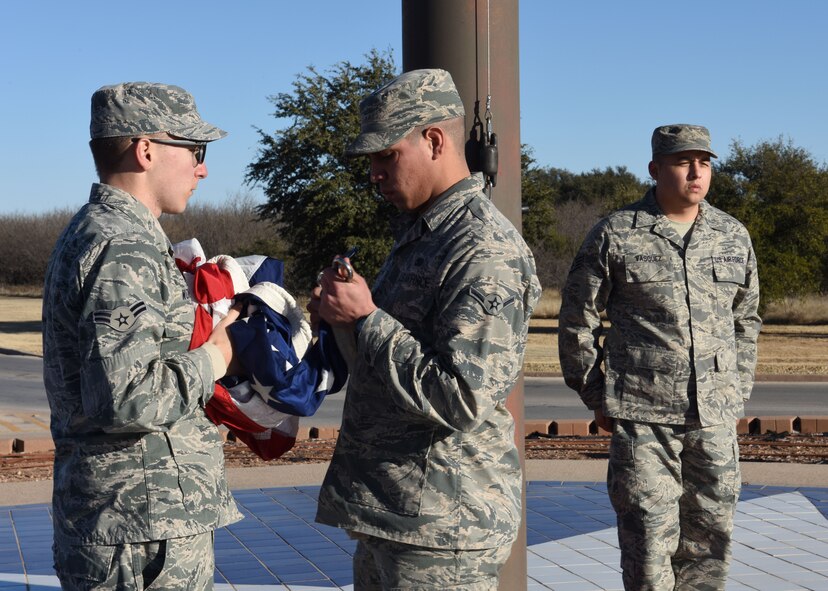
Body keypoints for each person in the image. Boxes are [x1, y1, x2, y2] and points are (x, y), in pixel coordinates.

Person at [309, 68, 541, 590]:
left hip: (443, 529)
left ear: (434, 140)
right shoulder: (426, 233)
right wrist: (341, 321)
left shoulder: (483, 249)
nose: (374, 173)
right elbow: (388, 364)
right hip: (396, 517)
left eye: (385, 155)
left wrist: (367, 318)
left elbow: (461, 395)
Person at [42, 82, 243, 590]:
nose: (202, 168)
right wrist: (215, 356)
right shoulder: (121, 244)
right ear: (146, 150)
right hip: (139, 533)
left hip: (133, 523)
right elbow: (127, 400)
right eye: (195, 151)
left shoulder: (111, 234)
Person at [559, 124, 762, 590]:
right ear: (655, 169)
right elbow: (577, 321)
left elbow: (746, 321)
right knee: (649, 542)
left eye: (704, 162)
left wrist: (736, 391)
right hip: (643, 418)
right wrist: (596, 394)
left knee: (710, 542)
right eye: (682, 162)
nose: (696, 172)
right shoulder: (616, 233)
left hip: (713, 419)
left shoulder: (732, 235)